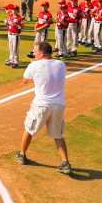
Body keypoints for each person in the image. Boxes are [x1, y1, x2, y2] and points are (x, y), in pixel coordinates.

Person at [15, 41, 72, 175]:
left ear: (41, 53)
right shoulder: (61, 64)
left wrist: (32, 64)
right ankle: (65, 163)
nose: (34, 54)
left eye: (35, 52)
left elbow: (25, 81)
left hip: (41, 104)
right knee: (57, 135)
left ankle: (22, 155)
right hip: (58, 105)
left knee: (29, 129)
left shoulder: (34, 64)